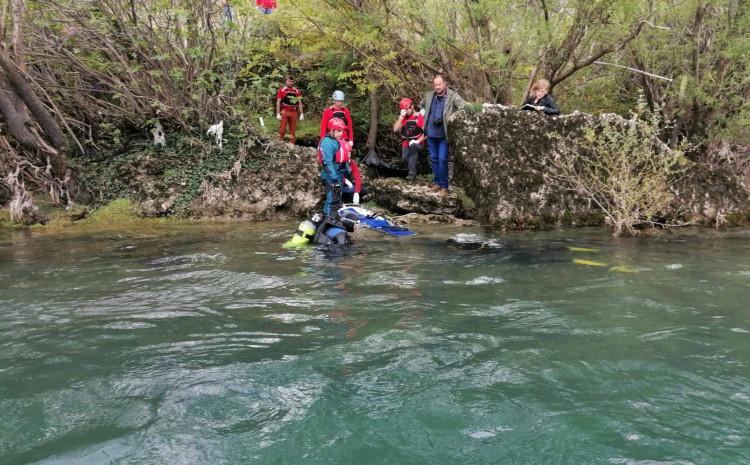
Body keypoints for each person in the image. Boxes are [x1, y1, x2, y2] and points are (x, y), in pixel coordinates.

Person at [421, 74, 466, 197]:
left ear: (444, 84)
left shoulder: (452, 96)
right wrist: (423, 116)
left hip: (444, 135)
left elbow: (463, 105)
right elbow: (421, 106)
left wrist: (458, 117)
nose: (438, 87)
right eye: (435, 85)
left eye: (440, 84)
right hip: (430, 133)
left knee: (442, 159)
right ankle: (437, 182)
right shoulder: (429, 95)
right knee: (434, 159)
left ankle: (444, 187)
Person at [318, 117, 352, 217]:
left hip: (339, 175)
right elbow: (327, 163)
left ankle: (331, 218)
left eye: (342, 131)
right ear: (331, 130)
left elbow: (342, 158)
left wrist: (347, 170)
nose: (341, 133)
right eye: (339, 131)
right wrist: (334, 179)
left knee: (337, 199)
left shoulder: (338, 140)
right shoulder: (327, 142)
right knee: (332, 199)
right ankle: (328, 219)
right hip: (330, 176)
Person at [392, 98, 425, 181]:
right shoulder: (404, 118)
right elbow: (395, 129)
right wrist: (401, 117)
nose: (406, 111)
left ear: (412, 107)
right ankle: (415, 168)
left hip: (418, 143)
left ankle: (412, 175)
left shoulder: (419, 117)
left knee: (413, 147)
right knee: (405, 158)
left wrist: (417, 141)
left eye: (407, 109)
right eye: (404, 110)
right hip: (406, 143)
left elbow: (426, 132)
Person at [276, 76, 304, 144]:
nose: (290, 83)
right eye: (289, 81)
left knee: (293, 130)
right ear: (286, 81)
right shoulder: (281, 90)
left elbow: (300, 103)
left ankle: (292, 144)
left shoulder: (296, 91)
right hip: (284, 111)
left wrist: (301, 114)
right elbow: (278, 102)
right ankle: (280, 143)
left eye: (292, 81)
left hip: (293, 112)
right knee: (282, 129)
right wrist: (278, 113)